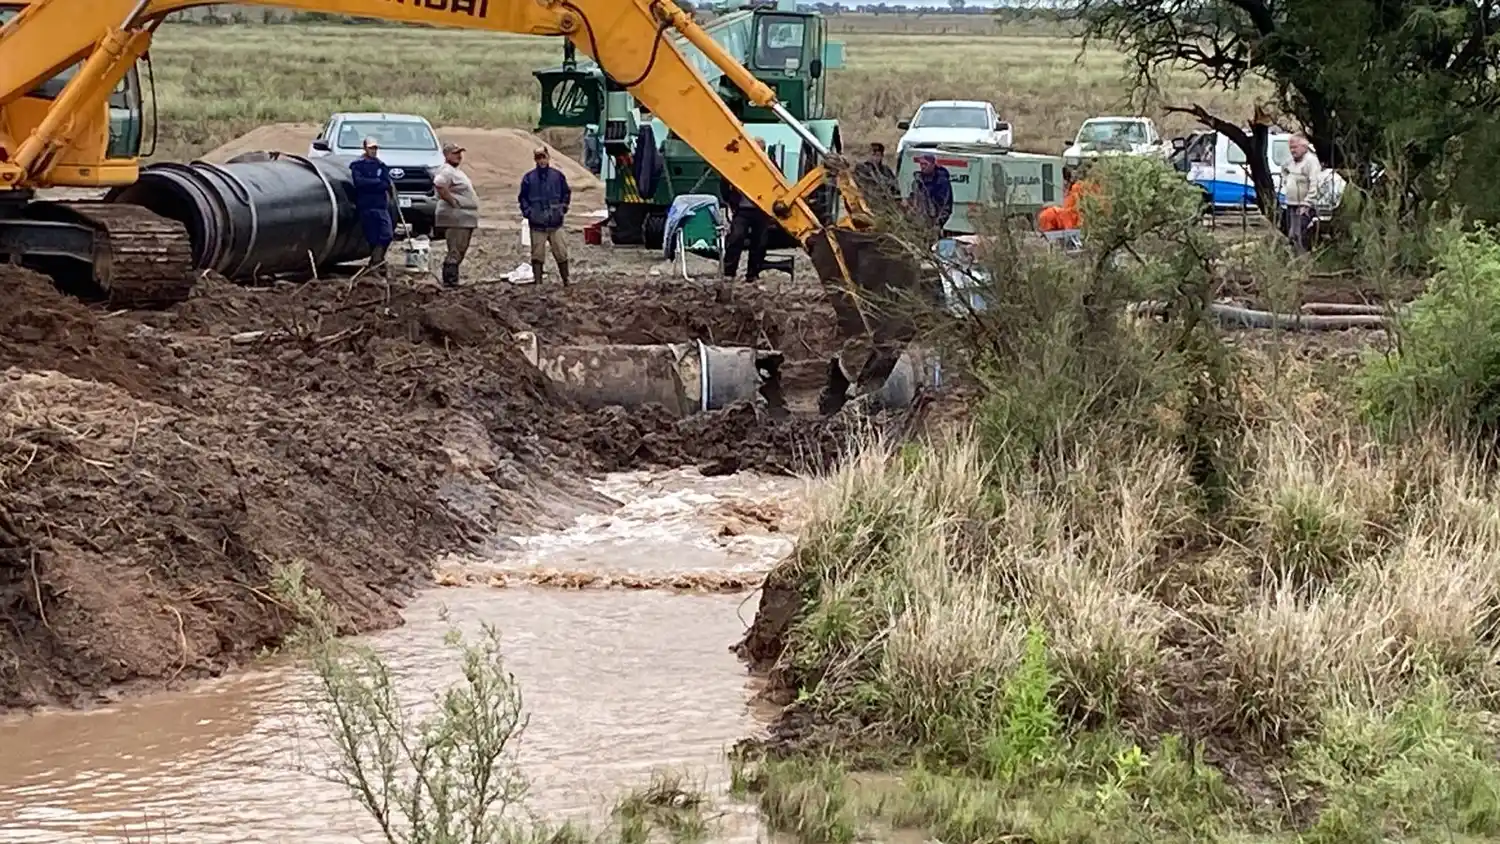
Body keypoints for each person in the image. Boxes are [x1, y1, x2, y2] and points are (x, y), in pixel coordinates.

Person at [719, 138, 774, 283]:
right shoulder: (738, 164)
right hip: (742, 209)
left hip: (761, 210)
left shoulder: (770, 166)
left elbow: (777, 184)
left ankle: (753, 275)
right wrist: (731, 201)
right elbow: (725, 181)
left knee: (760, 243)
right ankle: (729, 273)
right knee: (736, 237)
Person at [518, 145, 573, 284]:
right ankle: (538, 281)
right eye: (538, 158)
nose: (541, 160)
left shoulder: (558, 176)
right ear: (535, 160)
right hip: (537, 223)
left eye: (543, 157)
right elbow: (522, 198)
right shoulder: (528, 178)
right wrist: (529, 213)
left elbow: (566, 193)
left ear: (548, 157)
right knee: (537, 254)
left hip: (555, 223)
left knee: (561, 251)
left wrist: (562, 209)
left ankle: (566, 279)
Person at [433, 141, 481, 289]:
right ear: (446, 155)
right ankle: (450, 282)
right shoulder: (447, 171)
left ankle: (452, 280)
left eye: (460, 153)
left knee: (460, 249)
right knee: (456, 249)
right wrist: (452, 201)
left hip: (463, 218)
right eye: (455, 153)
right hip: (456, 218)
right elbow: (439, 184)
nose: (459, 156)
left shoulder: (455, 171)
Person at [349, 136, 397, 279]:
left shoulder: (381, 165)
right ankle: (377, 265)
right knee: (372, 236)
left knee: (387, 234)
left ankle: (376, 262)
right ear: (365, 148)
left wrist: (374, 183)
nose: (374, 151)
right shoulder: (357, 165)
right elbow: (359, 182)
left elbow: (386, 183)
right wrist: (377, 183)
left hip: (381, 205)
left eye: (375, 148)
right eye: (371, 148)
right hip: (366, 206)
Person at [1280, 132, 1321, 252]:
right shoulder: (1290, 161)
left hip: (1304, 205)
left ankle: (1303, 261)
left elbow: (1315, 183)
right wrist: (1287, 182)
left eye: (1295, 147)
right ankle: (1295, 260)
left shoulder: (1311, 161)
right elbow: (1284, 169)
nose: (1292, 150)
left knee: (1301, 234)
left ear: (1304, 146)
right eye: (1290, 148)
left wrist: (1307, 203)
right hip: (1291, 203)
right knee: (1292, 234)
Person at [906, 153, 953, 240]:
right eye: (921, 164)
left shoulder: (941, 182)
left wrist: (938, 224)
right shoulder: (917, 182)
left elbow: (946, 205)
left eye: (925, 164)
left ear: (932, 164)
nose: (923, 166)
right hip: (917, 224)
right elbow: (914, 200)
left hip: (933, 224)